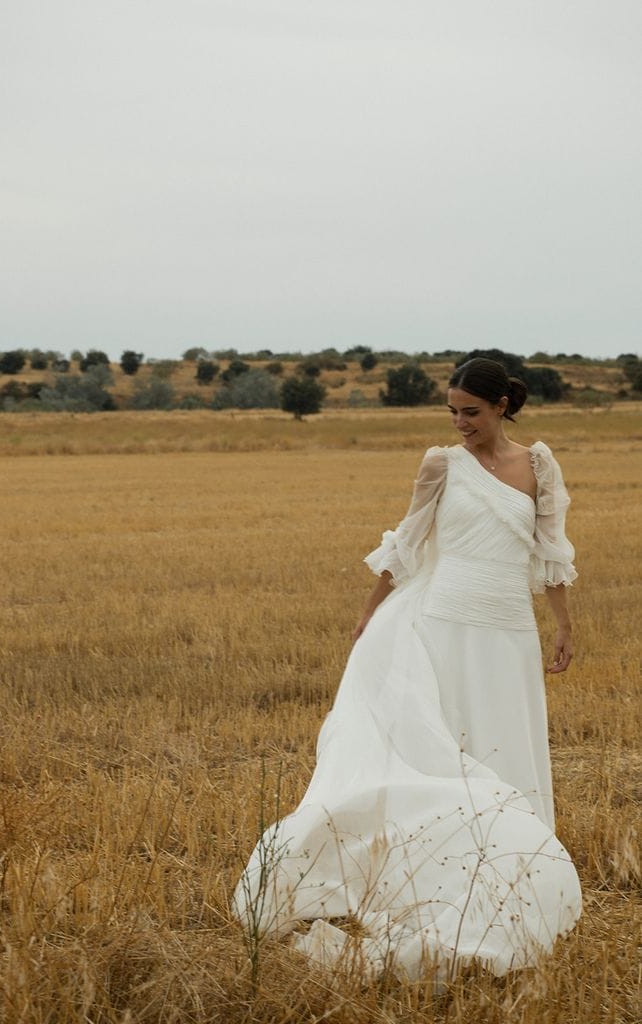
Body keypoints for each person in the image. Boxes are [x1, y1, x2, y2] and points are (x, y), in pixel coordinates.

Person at [232, 357, 582, 983]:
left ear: (503, 405)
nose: (459, 423)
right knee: (447, 751)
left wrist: (562, 623)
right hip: (443, 624)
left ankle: (516, 875)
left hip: (507, 630)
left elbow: (548, 549)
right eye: (452, 411)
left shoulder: (539, 465)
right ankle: (427, 871)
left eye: (470, 412)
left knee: (508, 744)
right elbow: (409, 544)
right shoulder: (440, 464)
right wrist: (370, 615)